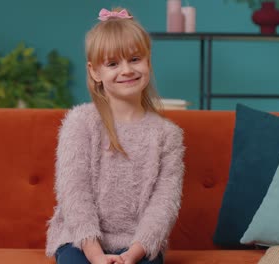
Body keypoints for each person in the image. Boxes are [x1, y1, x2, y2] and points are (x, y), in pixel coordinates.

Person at [46, 7, 185, 264]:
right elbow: (74, 194)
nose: (126, 70)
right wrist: (96, 255)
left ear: (148, 61)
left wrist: (135, 252)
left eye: (134, 59)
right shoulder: (80, 123)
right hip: (81, 242)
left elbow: (164, 205)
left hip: (139, 246)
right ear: (94, 71)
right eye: (112, 63)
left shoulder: (168, 135)